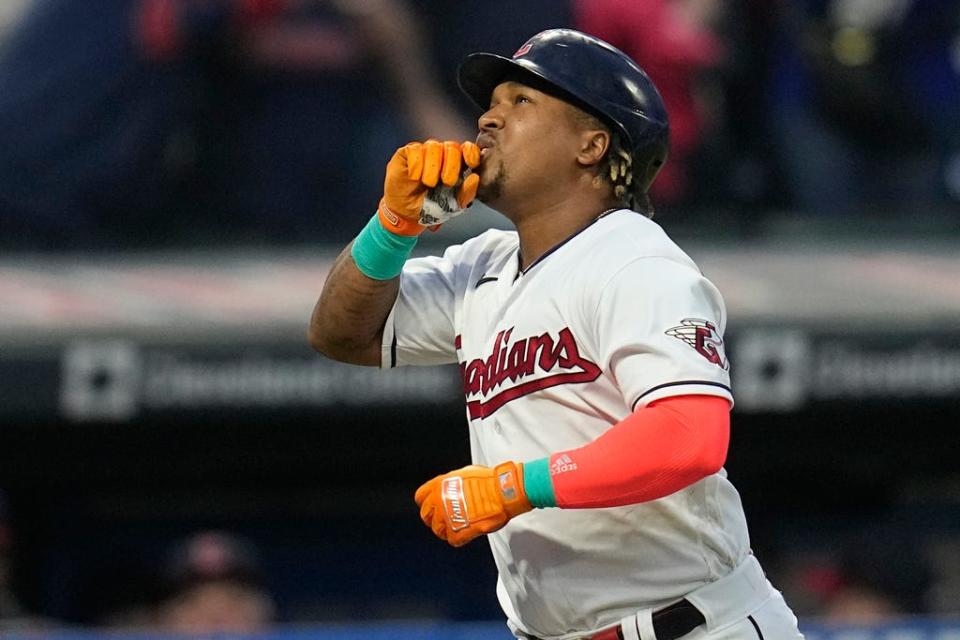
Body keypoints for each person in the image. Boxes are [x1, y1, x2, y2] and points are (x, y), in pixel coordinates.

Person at [309, 28, 804, 640]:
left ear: (592, 144)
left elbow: (689, 437)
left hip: (693, 626)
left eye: (521, 102)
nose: (488, 118)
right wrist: (393, 224)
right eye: (490, 103)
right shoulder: (482, 263)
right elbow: (342, 334)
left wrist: (517, 486)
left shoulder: (635, 260)